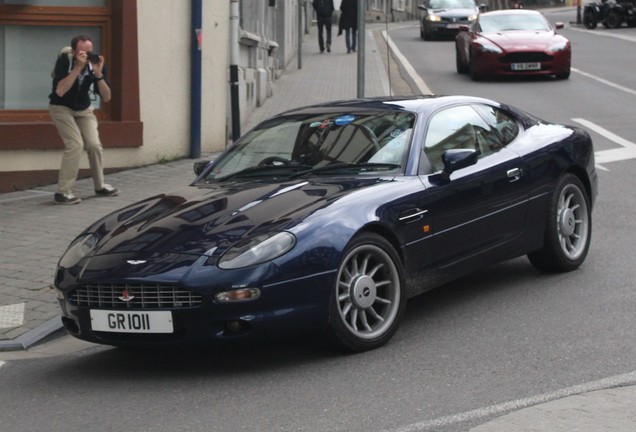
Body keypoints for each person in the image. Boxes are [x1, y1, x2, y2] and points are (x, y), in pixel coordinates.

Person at [49, 34, 118, 205]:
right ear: (74, 51)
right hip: (61, 107)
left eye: (90, 51)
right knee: (75, 144)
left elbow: (107, 97)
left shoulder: (95, 64)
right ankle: (63, 192)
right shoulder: (65, 61)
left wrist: (99, 75)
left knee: (94, 145)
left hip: (83, 109)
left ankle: (100, 185)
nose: (87, 55)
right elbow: (60, 91)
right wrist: (77, 68)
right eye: (82, 52)